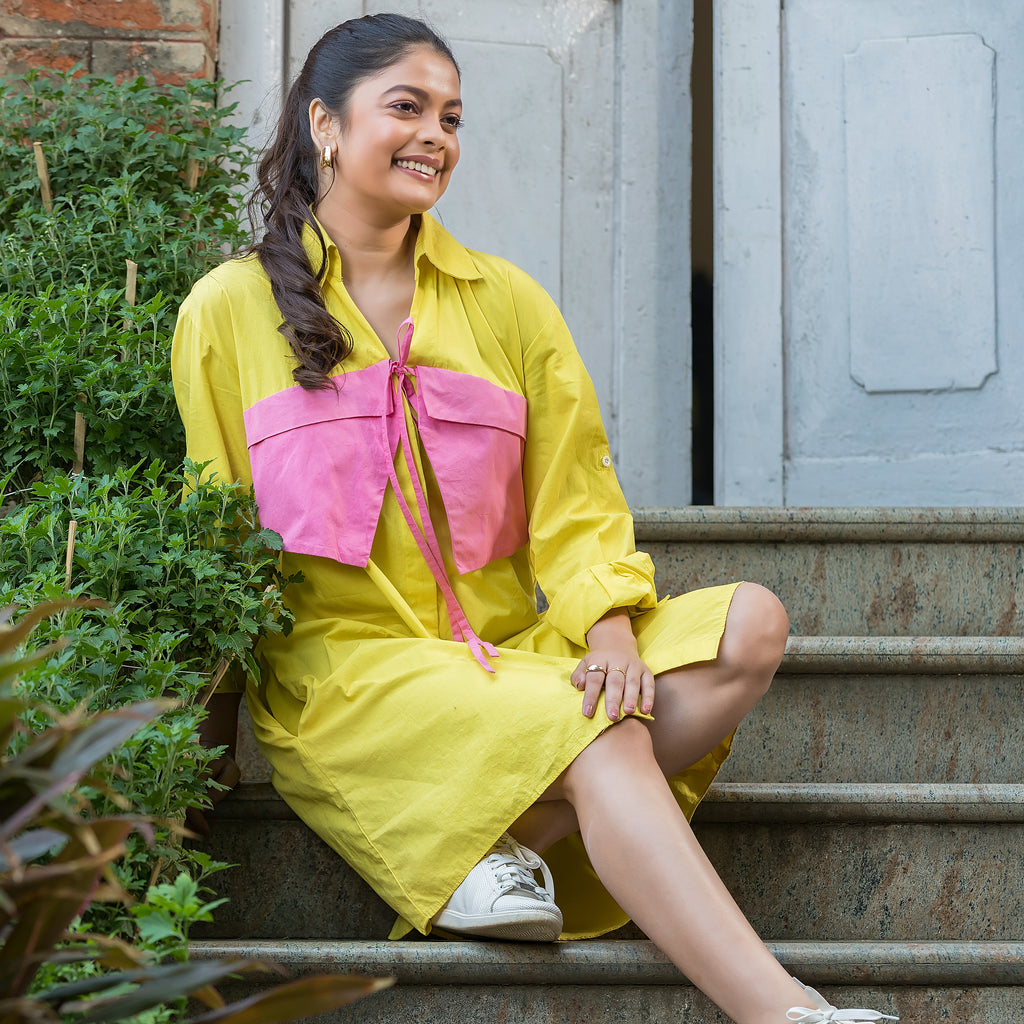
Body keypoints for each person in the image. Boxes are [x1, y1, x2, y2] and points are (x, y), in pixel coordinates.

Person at [171, 13, 898, 1024]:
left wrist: (606, 625)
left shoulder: (507, 304)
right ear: (324, 124)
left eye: (452, 116)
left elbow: (576, 501)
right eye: (407, 107)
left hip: (510, 650)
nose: (437, 135)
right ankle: (781, 1011)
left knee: (748, 626)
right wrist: (200, 752)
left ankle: (486, 843)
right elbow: (216, 544)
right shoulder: (225, 311)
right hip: (350, 678)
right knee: (595, 726)